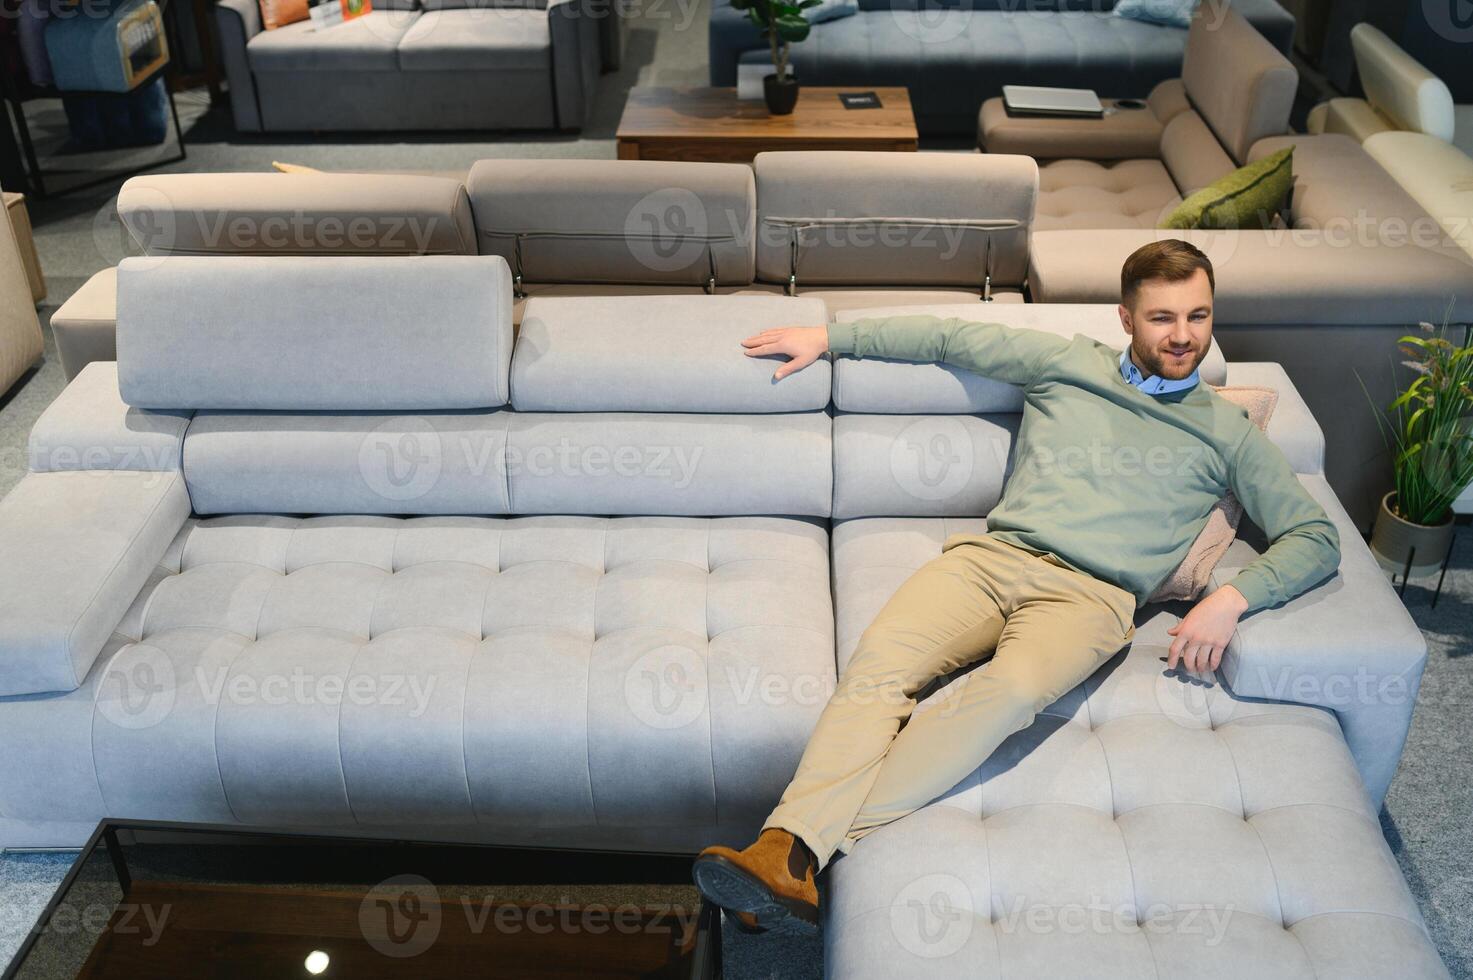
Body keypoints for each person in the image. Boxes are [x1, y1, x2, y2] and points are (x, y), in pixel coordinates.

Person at [690, 239, 1341, 933]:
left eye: (1197, 315)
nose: (1181, 335)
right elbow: (948, 337)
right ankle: (785, 859)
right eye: (1161, 318)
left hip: (1088, 597)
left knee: (1005, 695)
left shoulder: (1227, 433)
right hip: (993, 559)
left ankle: (793, 853)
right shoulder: (1066, 362)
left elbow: (1314, 535)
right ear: (1125, 319)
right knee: (879, 669)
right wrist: (831, 337)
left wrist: (1230, 599)